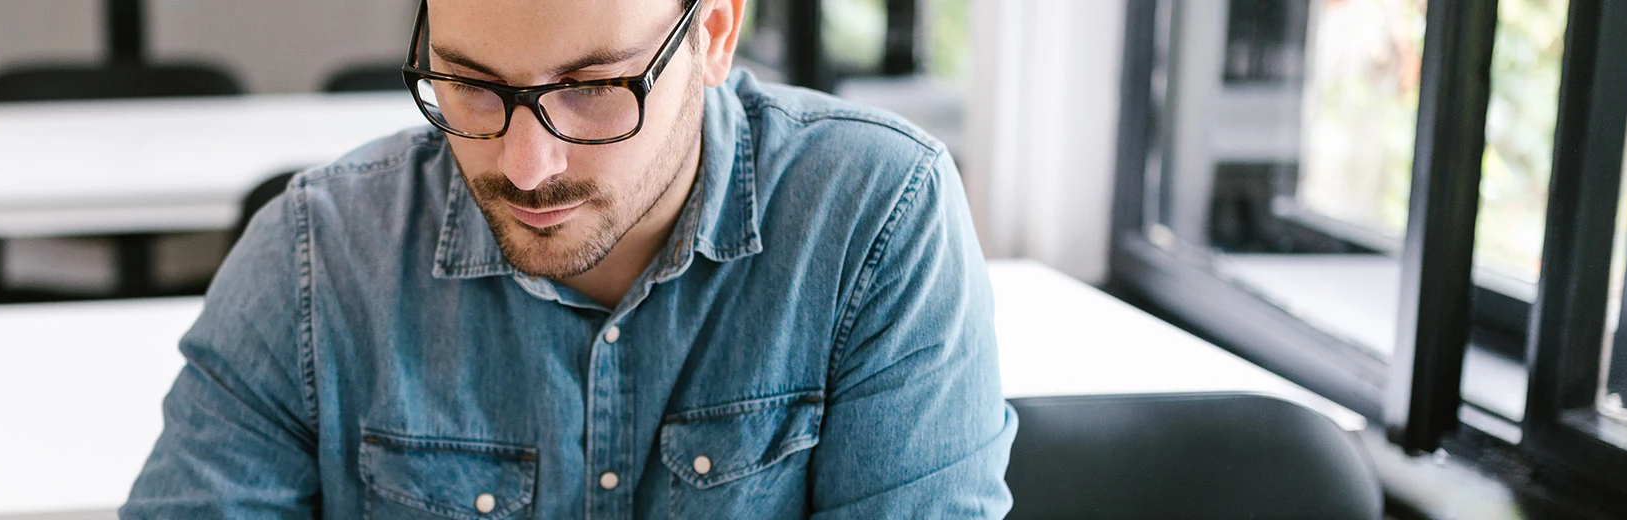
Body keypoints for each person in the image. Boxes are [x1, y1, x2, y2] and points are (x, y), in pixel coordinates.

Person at [120, 0, 1014, 517]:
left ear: (714, 35)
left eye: (591, 89)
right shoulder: (314, 256)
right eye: (470, 85)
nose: (524, 166)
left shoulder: (874, 216)